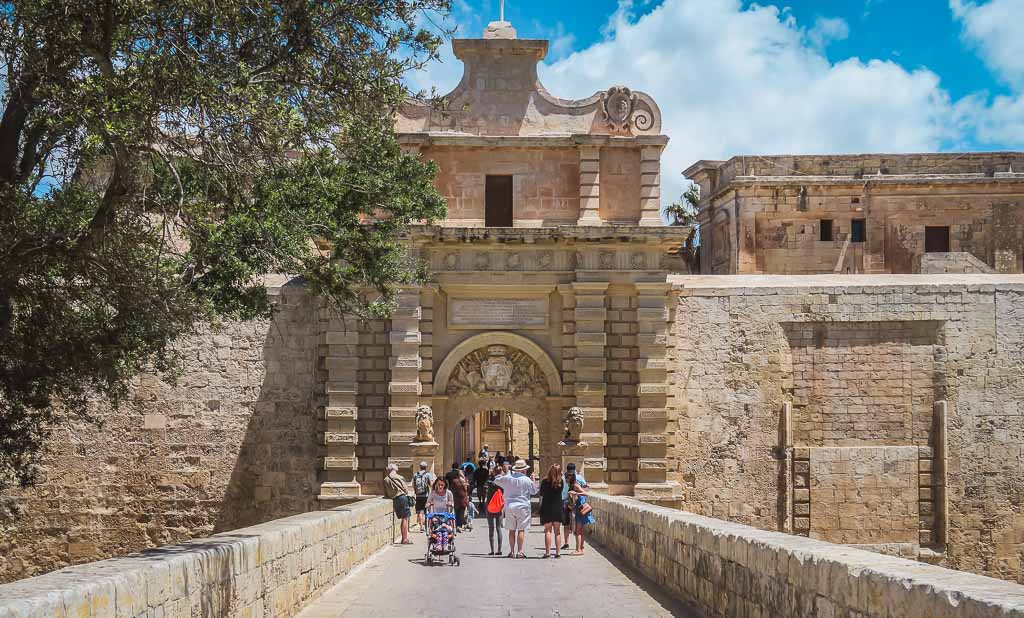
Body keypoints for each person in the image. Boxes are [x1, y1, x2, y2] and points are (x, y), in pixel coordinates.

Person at [494, 459, 539, 558]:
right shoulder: (527, 480)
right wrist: (533, 480)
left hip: (509, 505)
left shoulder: (508, 478)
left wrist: (504, 473)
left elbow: (496, 480)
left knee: (511, 530)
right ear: (524, 470)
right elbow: (534, 491)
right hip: (523, 506)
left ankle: (511, 551)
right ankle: (520, 551)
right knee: (521, 530)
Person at [383, 463, 413, 545]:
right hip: (402, 498)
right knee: (405, 518)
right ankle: (404, 539)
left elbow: (386, 493)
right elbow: (406, 489)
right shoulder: (400, 477)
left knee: (402, 518)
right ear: (395, 470)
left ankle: (404, 538)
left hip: (395, 499)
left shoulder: (386, 479)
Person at [539, 464, 564, 558]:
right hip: (557, 508)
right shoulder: (561, 482)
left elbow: (541, 494)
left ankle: (548, 552)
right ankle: (558, 553)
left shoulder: (545, 482)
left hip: (547, 508)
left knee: (547, 531)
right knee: (557, 531)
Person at [561, 463, 587, 550]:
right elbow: (585, 486)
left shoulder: (563, 478)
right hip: (576, 503)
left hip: (565, 501)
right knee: (578, 524)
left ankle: (566, 542)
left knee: (566, 523)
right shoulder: (579, 477)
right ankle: (580, 545)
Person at [568, 477, 593, 555]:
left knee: (578, 531)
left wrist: (575, 493)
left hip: (581, 511)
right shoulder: (575, 485)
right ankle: (581, 548)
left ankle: (578, 550)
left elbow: (585, 493)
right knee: (581, 531)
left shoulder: (575, 486)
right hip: (581, 510)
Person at [484, 467, 504, 555]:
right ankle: (499, 550)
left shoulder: (489, 482)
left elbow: (485, 490)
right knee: (499, 528)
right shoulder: (503, 483)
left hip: (490, 507)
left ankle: (492, 550)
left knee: (491, 528)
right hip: (499, 507)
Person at [411, 461, 435, 531]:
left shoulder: (416, 474)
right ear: (426, 467)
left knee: (419, 511)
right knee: (426, 510)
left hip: (418, 495)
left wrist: (415, 491)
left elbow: (413, 485)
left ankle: (421, 526)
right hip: (426, 495)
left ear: (420, 467)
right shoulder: (428, 474)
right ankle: (426, 525)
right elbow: (431, 484)